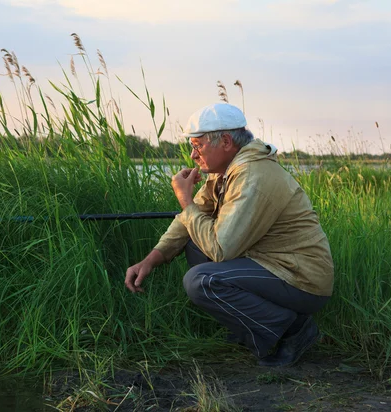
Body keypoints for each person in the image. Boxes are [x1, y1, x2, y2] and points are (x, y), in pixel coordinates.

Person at [124, 102, 334, 367]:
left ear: (225, 141)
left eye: (197, 146)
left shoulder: (252, 175)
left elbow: (221, 248)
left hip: (302, 279)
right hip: (270, 265)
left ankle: (293, 329)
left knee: (201, 281)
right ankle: (254, 328)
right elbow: (190, 222)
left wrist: (185, 201)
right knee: (194, 240)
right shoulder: (226, 171)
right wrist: (151, 260)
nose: (192, 155)